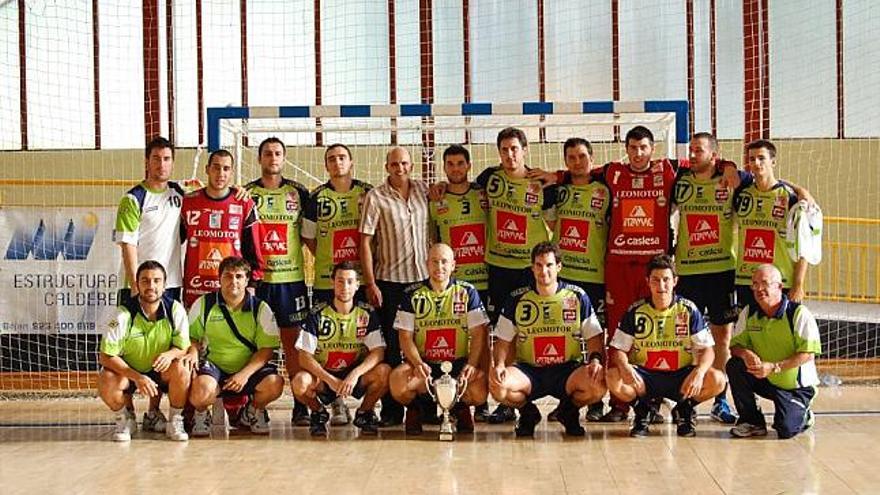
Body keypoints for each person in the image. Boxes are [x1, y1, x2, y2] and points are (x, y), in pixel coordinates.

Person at [672, 132, 751, 424]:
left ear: (713, 156)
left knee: (723, 339)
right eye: (691, 150)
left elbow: (755, 177)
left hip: (721, 273)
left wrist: (730, 167)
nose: (693, 155)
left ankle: (720, 400)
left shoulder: (731, 182)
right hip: (688, 272)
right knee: (686, 339)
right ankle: (684, 398)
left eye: (699, 150)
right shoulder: (680, 181)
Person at [490, 242, 606, 437]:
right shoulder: (517, 299)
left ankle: (568, 411)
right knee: (498, 387)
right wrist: (500, 364)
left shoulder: (577, 296)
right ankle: (528, 413)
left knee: (598, 384)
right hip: (529, 371)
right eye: (539, 265)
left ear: (559, 266)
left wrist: (595, 361)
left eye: (549, 265)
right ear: (532, 267)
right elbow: (502, 340)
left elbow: (594, 337)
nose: (544, 271)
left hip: (566, 370)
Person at [606, 254, 726, 437]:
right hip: (645, 377)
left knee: (718, 380)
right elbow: (617, 351)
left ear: (675, 281)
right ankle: (642, 411)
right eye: (655, 280)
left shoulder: (688, 309)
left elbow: (707, 350)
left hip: (680, 376)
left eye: (666, 280)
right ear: (647, 281)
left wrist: (699, 372)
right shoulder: (635, 311)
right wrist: (625, 367)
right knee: (613, 376)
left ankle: (684, 409)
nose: (661, 286)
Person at [359, 146, 431, 426]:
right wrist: (371, 282)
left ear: (411, 165)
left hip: (422, 282)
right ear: (386, 166)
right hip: (389, 283)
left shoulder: (424, 191)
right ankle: (391, 409)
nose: (399, 168)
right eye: (393, 164)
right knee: (391, 347)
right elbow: (365, 240)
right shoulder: (375, 197)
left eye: (403, 163)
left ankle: (424, 404)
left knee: (421, 347)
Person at [244, 137, 313, 427]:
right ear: (260, 159)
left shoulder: (299, 193)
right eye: (268, 153)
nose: (273, 157)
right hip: (259, 282)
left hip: (291, 280)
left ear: (284, 158)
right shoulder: (246, 193)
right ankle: (253, 403)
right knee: (252, 342)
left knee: (293, 344)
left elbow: (309, 237)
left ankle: (300, 404)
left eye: (278, 153)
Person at [389, 243, 490, 435]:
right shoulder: (412, 294)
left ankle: (460, 407)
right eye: (434, 262)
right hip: (425, 366)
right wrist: (418, 364)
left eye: (444, 262)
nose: (439, 267)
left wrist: (471, 364)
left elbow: (479, 333)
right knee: (397, 382)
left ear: (453, 265)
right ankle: (416, 408)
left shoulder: (467, 292)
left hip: (457, 364)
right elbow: (405, 337)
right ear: (427, 264)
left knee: (480, 388)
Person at [185, 256, 284, 436]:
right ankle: (201, 414)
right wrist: (192, 351)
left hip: (247, 369)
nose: (234, 281)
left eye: (239, 276)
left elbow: (267, 350)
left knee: (275, 383)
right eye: (228, 276)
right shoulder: (203, 304)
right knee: (200, 391)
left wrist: (243, 375)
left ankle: (254, 411)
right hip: (215, 367)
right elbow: (192, 338)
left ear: (247, 280)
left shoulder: (260, 308)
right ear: (219, 279)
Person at [428, 144, 491, 421]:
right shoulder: (435, 200)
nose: (455, 168)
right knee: (452, 339)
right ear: (444, 168)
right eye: (450, 164)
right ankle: (449, 395)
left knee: (486, 338)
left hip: (485, 280)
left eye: (460, 163)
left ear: (469, 165)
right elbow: (433, 240)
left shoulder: (483, 194)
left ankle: (485, 397)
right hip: (453, 284)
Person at [293, 261, 390, 436]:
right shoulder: (317, 313)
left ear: (357, 285)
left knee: (384, 372)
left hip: (352, 375)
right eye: (340, 281)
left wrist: (355, 374)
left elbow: (378, 352)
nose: (345, 287)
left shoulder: (366, 313)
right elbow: (304, 357)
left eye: (350, 281)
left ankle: (364, 413)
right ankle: (318, 413)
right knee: (300, 382)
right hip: (324, 376)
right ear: (332, 283)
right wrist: (330, 380)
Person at [97, 260, 190, 442]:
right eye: (145, 281)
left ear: (164, 285)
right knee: (106, 379)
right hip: (130, 373)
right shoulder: (123, 314)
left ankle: (174, 420)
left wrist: (170, 354)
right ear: (137, 284)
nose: (151, 286)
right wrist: (137, 377)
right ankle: (126, 418)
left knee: (183, 369)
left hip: (161, 372)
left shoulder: (175, 309)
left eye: (156, 280)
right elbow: (106, 357)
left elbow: (184, 347)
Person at [552, 137, 610, 422]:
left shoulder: (605, 189)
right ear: (565, 161)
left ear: (592, 157)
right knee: (566, 337)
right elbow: (550, 222)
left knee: (597, 337)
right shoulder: (558, 190)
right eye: (572, 157)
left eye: (582, 156)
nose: (578, 162)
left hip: (595, 276)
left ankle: (597, 397)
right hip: (564, 278)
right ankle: (568, 395)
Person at [727, 264, 821, 439]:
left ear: (779, 286)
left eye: (765, 283)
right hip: (766, 379)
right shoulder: (748, 312)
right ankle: (751, 421)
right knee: (735, 365)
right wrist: (745, 353)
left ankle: (804, 414)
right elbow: (734, 347)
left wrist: (774, 367)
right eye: (755, 284)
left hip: (796, 387)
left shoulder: (798, 314)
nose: (759, 289)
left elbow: (807, 354)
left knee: (785, 430)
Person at [733, 139, 813, 307]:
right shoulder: (741, 193)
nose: (756, 163)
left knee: (781, 332)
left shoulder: (790, 198)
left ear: (773, 162)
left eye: (761, 158)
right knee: (749, 331)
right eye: (752, 159)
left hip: (779, 282)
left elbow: (804, 246)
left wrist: (798, 284)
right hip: (747, 280)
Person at [179, 150, 264, 309]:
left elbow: (253, 249)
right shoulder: (189, 202)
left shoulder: (244, 203)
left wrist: (252, 284)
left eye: (226, 169)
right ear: (207, 169)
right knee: (196, 334)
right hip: (196, 289)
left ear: (232, 172)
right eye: (216, 168)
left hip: (233, 290)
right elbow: (173, 241)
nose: (221, 173)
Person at [113, 137, 186, 303]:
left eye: (166, 159)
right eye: (156, 158)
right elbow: (127, 245)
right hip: (141, 284)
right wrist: (135, 285)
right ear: (147, 162)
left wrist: (239, 190)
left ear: (173, 162)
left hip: (170, 283)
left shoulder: (180, 193)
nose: (162, 164)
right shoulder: (133, 199)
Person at [304, 143, 373, 305]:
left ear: (351, 162)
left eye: (342, 158)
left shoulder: (367, 192)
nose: (337, 162)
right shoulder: (316, 197)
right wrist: (326, 254)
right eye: (332, 159)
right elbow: (308, 237)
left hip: (362, 279)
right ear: (326, 166)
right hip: (327, 280)